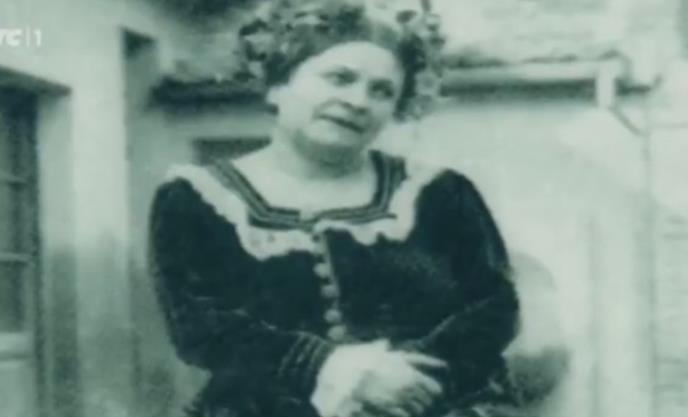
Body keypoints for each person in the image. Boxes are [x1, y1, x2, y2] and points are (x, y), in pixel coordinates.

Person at [148, 1, 520, 416]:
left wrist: (404, 381)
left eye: (382, 91)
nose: (359, 101)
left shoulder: (439, 193)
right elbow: (197, 325)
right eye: (340, 78)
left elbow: (494, 307)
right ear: (278, 84)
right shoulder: (196, 198)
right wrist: (328, 368)